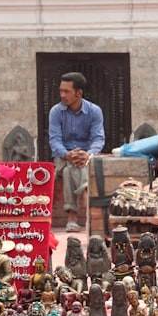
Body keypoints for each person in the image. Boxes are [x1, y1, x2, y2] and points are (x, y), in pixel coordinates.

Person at [48, 72, 105, 232]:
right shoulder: (56, 112)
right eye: (61, 91)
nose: (62, 95)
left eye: (66, 91)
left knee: (70, 171)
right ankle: (89, 208)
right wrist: (67, 154)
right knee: (69, 166)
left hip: (85, 158)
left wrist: (87, 154)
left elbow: (98, 139)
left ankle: (72, 218)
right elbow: (54, 140)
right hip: (62, 156)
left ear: (79, 93)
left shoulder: (94, 111)